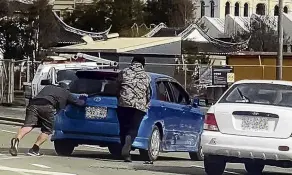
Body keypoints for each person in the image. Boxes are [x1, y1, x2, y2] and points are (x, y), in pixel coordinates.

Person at [9, 82, 86, 156]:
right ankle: (34, 149)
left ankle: (17, 139)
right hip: (47, 106)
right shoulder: (66, 92)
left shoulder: (48, 87)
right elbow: (80, 103)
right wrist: (83, 97)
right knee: (47, 130)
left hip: (33, 104)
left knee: (28, 125)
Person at [117, 56, 151, 162]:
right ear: (143, 64)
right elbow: (149, 93)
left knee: (123, 127)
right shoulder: (147, 76)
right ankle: (128, 143)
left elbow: (117, 87)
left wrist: (119, 98)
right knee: (133, 129)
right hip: (139, 106)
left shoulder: (123, 72)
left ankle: (125, 151)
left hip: (124, 104)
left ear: (132, 62)